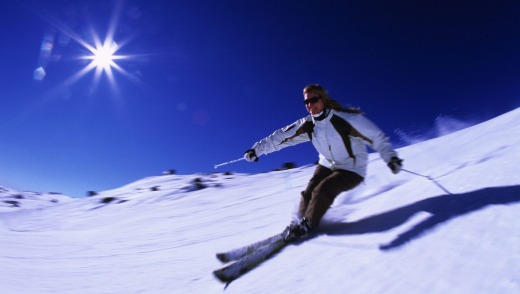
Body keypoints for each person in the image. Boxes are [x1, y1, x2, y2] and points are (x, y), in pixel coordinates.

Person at [243, 84, 403, 243]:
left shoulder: (345, 119)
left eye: (314, 100)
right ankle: (298, 222)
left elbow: (376, 137)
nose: (310, 105)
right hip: (327, 164)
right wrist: (257, 149)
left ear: (323, 99)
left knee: (322, 190)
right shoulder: (309, 125)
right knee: (309, 193)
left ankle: (307, 225)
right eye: (306, 102)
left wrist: (391, 158)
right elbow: (281, 137)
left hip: (352, 169)